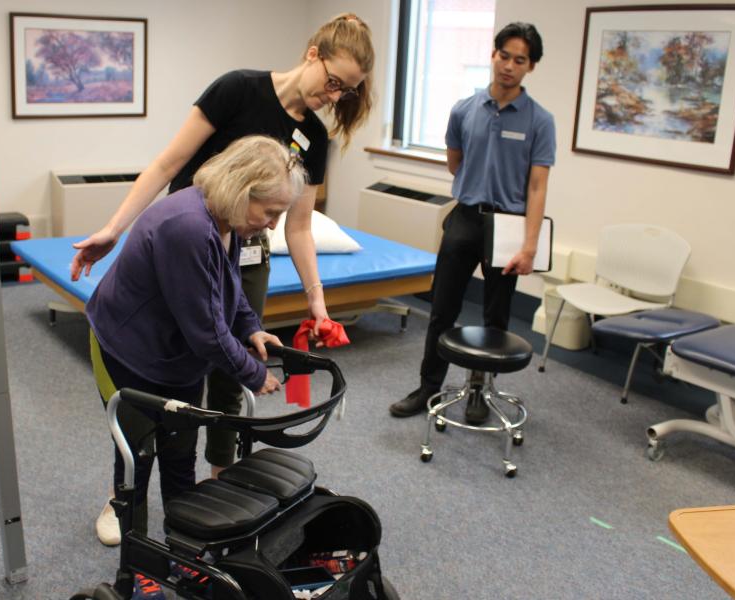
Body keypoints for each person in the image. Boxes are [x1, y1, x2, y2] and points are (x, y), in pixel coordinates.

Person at [72, 14, 375, 545]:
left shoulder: (304, 152)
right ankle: (128, 495)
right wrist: (114, 231)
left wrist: (312, 307)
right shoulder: (237, 91)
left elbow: (291, 232)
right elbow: (169, 163)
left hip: (229, 239)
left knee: (211, 390)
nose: (335, 96)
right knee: (154, 412)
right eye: (334, 81)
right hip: (182, 252)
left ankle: (205, 500)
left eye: (347, 92)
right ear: (313, 53)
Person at [88, 135, 304, 539]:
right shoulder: (187, 226)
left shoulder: (229, 219)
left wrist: (250, 327)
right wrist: (255, 375)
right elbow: (206, 332)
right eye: (271, 212)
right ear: (242, 190)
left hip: (176, 352)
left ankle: (182, 541)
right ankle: (131, 546)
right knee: (138, 451)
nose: (274, 224)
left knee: (180, 449)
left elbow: (229, 287)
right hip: (125, 349)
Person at [389, 22, 556, 421]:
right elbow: (455, 162)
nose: (509, 66)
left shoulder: (539, 121)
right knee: (442, 309)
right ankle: (429, 386)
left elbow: (537, 187)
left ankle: (479, 389)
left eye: (520, 60)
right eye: (504, 56)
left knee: (495, 316)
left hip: (508, 226)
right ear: (493, 55)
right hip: (464, 217)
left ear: (530, 67)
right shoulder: (464, 109)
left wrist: (529, 245)